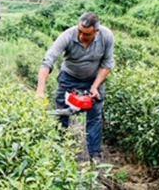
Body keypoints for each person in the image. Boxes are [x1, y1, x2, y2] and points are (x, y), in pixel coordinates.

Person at [36, 12, 115, 162]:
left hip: (93, 79)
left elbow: (107, 64)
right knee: (61, 115)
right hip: (69, 78)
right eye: (79, 31)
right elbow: (48, 61)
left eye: (86, 34)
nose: (80, 36)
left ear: (96, 32)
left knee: (95, 117)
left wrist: (95, 87)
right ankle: (58, 151)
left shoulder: (106, 37)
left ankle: (94, 155)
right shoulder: (67, 35)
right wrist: (40, 90)